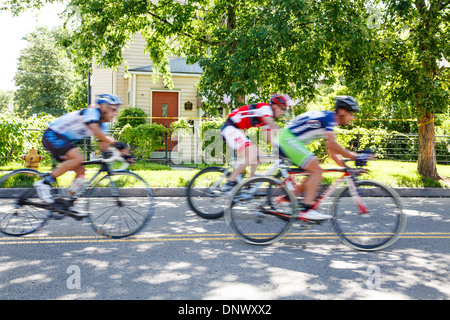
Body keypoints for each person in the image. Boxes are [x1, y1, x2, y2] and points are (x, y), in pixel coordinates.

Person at [278, 95, 367, 221]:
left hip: (287, 139)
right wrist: (355, 157)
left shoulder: (328, 120)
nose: (352, 117)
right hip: (287, 140)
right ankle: (307, 210)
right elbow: (333, 145)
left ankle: (288, 198)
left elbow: (331, 151)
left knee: (315, 171)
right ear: (341, 111)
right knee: (317, 171)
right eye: (351, 113)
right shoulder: (329, 119)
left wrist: (347, 168)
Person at [34, 94, 129, 208]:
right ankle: (44, 183)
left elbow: (104, 145)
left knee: (81, 171)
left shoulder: (103, 126)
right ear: (103, 107)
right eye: (113, 109)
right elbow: (95, 130)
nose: (115, 113)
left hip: (64, 140)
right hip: (53, 135)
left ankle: (69, 204)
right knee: (78, 157)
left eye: (116, 110)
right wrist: (115, 143)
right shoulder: (92, 112)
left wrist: (123, 155)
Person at [220, 95, 288, 191]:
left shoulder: (265, 118)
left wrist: (280, 149)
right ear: (275, 106)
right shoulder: (266, 109)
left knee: (258, 154)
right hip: (230, 128)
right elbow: (272, 125)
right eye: (282, 108)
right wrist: (287, 136)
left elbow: (270, 137)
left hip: (236, 129)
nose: (283, 112)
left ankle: (249, 184)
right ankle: (231, 181)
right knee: (252, 152)